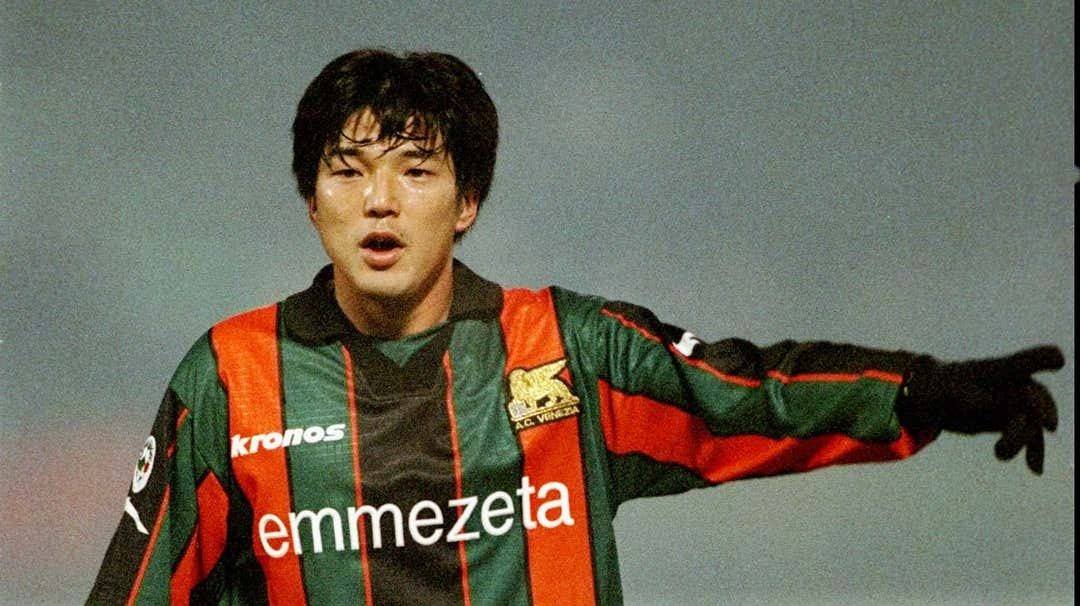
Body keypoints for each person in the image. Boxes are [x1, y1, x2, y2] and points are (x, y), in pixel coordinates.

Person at [87, 48, 1064, 606]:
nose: (380, 201)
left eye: (416, 171)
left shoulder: (569, 350)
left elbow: (744, 393)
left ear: (467, 201)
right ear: (312, 200)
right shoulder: (231, 377)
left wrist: (922, 389)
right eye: (349, 172)